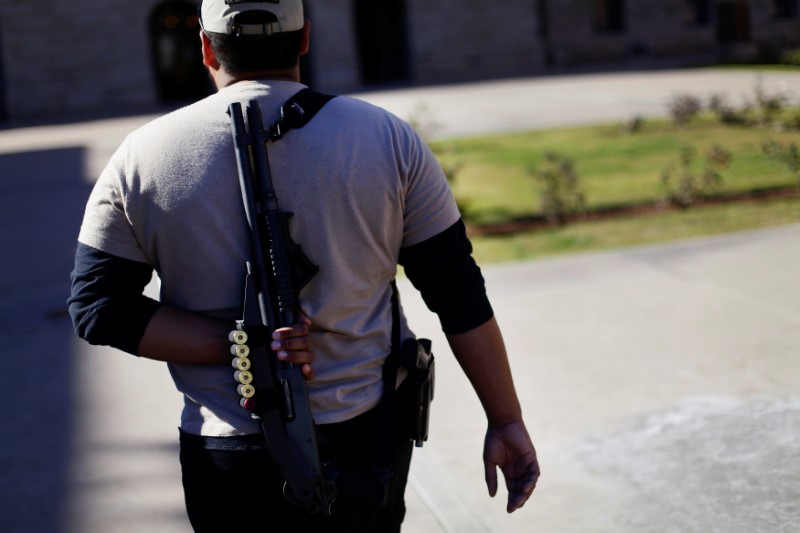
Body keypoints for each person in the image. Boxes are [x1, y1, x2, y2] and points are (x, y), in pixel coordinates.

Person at [68, 0, 540, 531]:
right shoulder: (387, 138)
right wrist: (506, 420)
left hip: (227, 454)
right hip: (368, 438)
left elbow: (97, 307)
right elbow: (458, 294)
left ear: (204, 45)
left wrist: (240, 345)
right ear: (305, 39)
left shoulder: (140, 156)